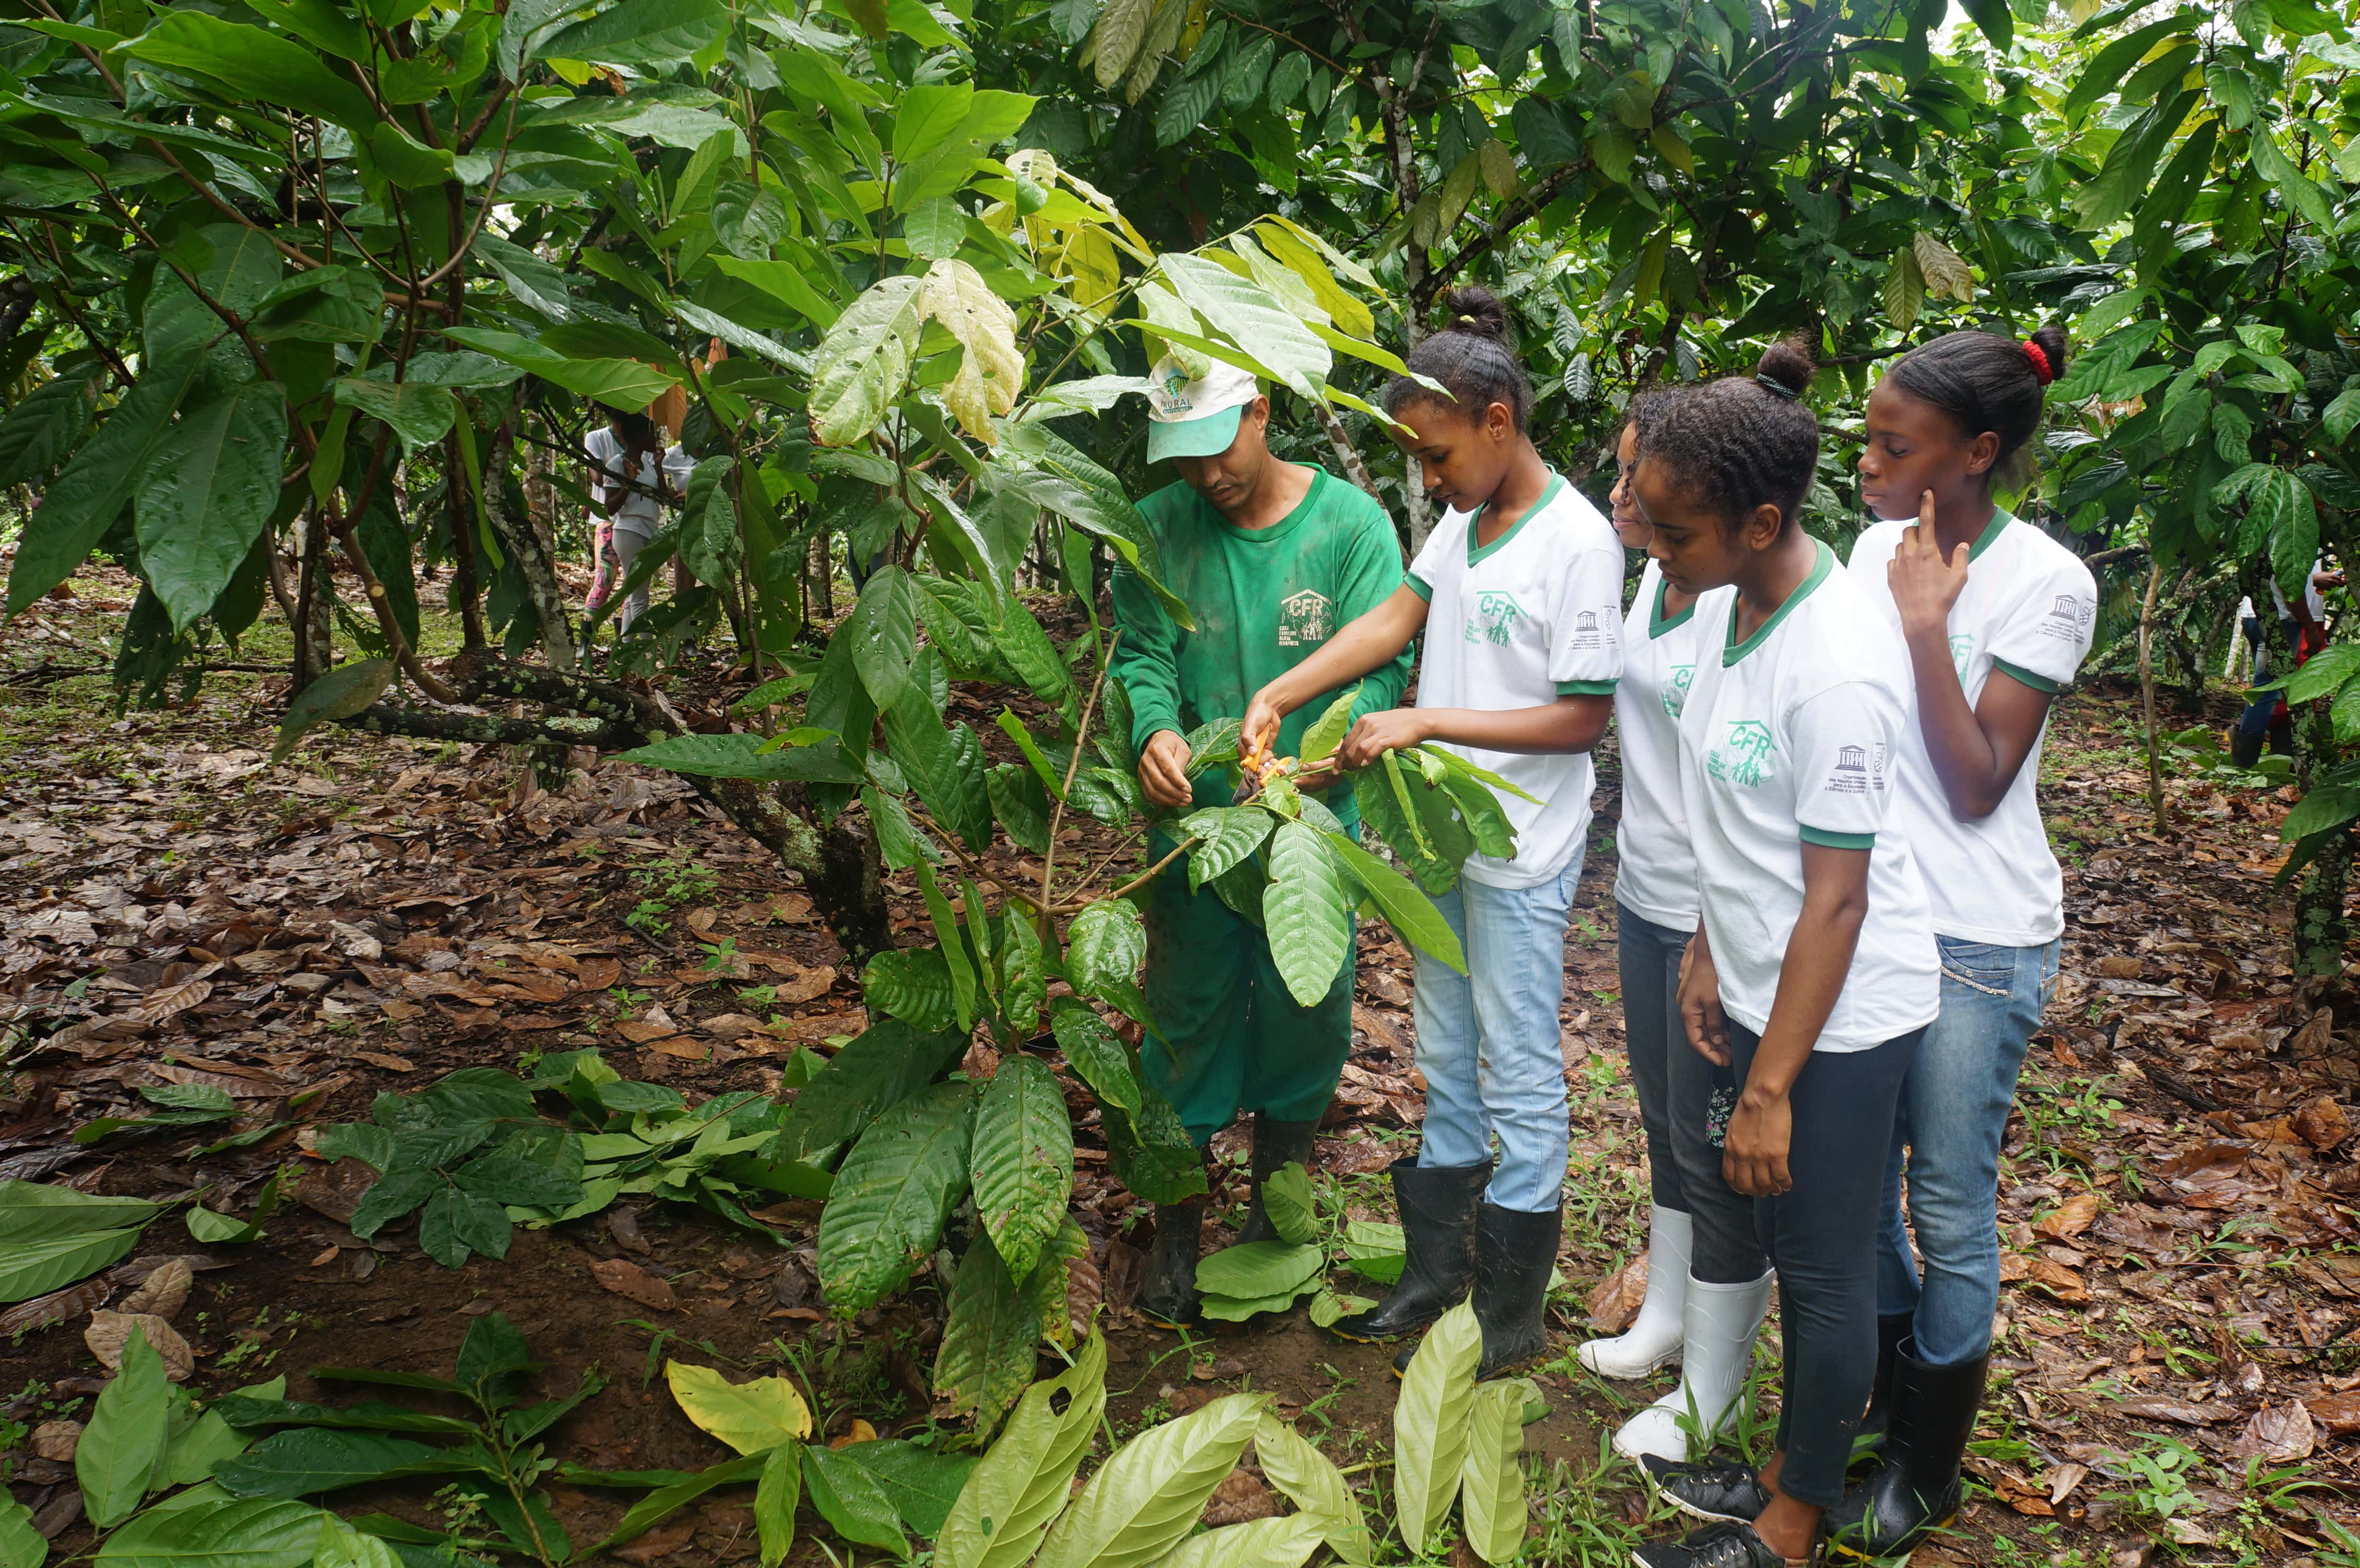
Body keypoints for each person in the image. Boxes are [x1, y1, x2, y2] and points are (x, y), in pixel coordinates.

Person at [1238, 287, 1623, 1380]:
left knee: (1516, 1066)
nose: (1426, 479)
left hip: (1523, 847)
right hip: (1446, 842)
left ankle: (1508, 1316)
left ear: (1498, 422)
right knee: (1443, 1050)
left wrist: (1422, 716)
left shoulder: (1575, 544)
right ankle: (1432, 1275)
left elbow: (1582, 715)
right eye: (1415, 459)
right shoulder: (1461, 527)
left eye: (1438, 455)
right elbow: (1391, 621)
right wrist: (1284, 685)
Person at [1628, 340, 1938, 1568]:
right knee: (1768, 1236)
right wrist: (1709, 945)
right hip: (1760, 972)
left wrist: (1769, 1088)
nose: (1652, 549)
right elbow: (1732, 817)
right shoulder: (1723, 612)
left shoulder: (1839, 668)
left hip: (1844, 1012)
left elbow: (1838, 901)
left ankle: (1790, 1526)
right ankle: (1777, 1466)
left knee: (1816, 1264)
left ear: (1760, 522)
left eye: (1674, 530)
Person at [1826, 329, 2097, 1558]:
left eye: (1895, 445)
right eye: (1868, 435)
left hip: (1975, 937)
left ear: (1978, 453)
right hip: (1869, 915)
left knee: (1945, 1194)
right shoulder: (1869, 544)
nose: (1867, 461)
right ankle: (1883, 1405)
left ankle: (1924, 1467)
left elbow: (1978, 777)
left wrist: (1927, 622)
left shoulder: (2046, 581)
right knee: (1861, 1187)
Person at [1108, 355, 1412, 1328]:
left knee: (1303, 1002)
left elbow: (1380, 668)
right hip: (1191, 827)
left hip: (1307, 824)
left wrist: (1323, 753)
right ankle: (1179, 1223)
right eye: (1182, 459)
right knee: (1186, 1011)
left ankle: (1272, 1213)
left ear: (1261, 412)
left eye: (1215, 450)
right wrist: (1155, 730)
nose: (1205, 477)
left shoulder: (1349, 529)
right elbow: (1140, 655)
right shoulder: (1156, 530)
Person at [1575, 396, 1773, 1462]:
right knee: (1664, 1126)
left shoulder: (1726, 592)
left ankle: (1714, 1386)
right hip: (1644, 894)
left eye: (1635, 480)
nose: (1620, 496)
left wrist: (1711, 921)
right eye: (1617, 477)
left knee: (1711, 1146)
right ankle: (1665, 1318)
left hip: (1715, 919)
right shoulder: (1657, 573)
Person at [583, 406, 692, 637]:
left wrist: (660, 465)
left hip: (649, 529)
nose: (656, 439)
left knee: (636, 595)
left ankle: (626, 647)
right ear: (639, 437)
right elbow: (611, 507)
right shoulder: (616, 464)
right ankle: (644, 655)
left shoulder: (649, 463)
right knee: (640, 596)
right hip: (629, 530)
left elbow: (663, 497)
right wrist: (627, 483)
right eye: (651, 434)